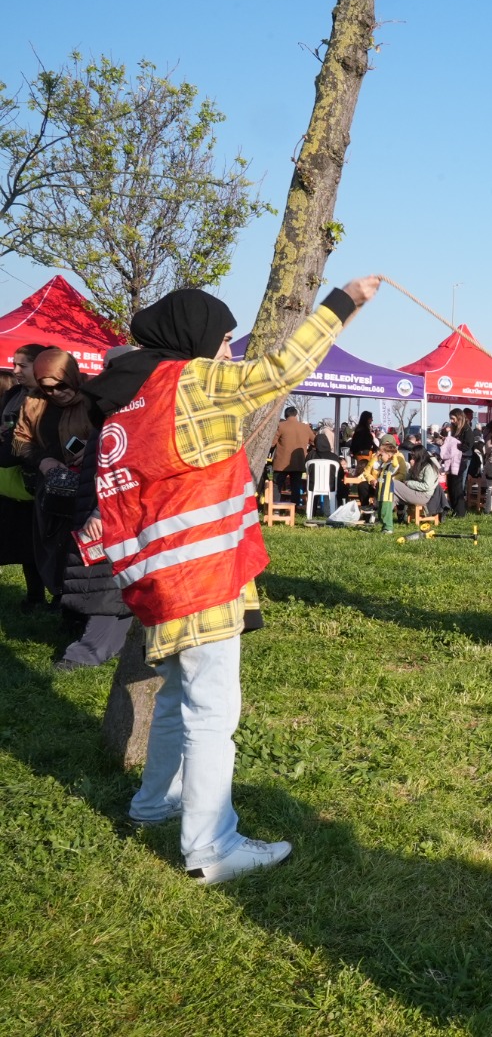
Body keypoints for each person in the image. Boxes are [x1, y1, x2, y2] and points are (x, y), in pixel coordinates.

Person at [82, 276, 382, 885]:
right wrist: (344, 301)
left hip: (158, 581)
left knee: (176, 698)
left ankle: (154, 803)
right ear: (194, 338)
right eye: (223, 340)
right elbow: (282, 368)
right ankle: (210, 848)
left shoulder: (131, 398)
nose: (228, 352)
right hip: (200, 576)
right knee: (213, 713)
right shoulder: (191, 381)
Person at [13, 348, 134, 668]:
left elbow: (116, 436)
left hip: (89, 490)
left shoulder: (94, 397)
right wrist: (42, 460)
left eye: (61, 385)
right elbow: (20, 439)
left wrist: (91, 451)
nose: (56, 393)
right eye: (47, 387)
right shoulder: (34, 402)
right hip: (52, 491)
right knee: (54, 552)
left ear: (73, 377)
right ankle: (67, 610)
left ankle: (85, 623)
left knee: (84, 556)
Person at [1, 343, 48, 609]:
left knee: (46, 544)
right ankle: (35, 597)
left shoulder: (50, 397)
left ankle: (60, 599)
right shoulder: (14, 393)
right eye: (14, 364)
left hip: (40, 478)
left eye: (23, 365)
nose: (16, 370)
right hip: (14, 482)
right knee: (25, 543)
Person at [270, 405, 316, 505]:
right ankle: (294, 507)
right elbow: (315, 441)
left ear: (285, 415)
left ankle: (275, 507)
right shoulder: (305, 427)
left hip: (281, 462)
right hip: (298, 462)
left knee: (277, 485)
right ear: (296, 415)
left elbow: (272, 443)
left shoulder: (281, 426)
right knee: (296, 486)